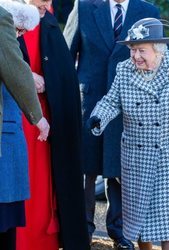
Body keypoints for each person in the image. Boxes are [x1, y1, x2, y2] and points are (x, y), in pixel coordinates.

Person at [86, 18, 169, 250]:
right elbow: (111, 102)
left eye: (141, 50)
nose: (135, 56)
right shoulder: (124, 69)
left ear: (158, 49)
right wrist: (99, 117)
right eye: (132, 50)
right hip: (136, 157)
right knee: (139, 219)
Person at [63, 1, 160, 248]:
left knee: (122, 171)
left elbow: (157, 62)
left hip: (130, 106)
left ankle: (121, 233)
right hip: (90, 104)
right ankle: (80, 231)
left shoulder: (149, 12)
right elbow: (65, 57)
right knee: (86, 171)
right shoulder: (84, 7)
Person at [15, 0, 90, 250]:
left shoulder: (48, 20)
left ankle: (41, 240)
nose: (46, 4)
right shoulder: (9, 15)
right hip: (18, 114)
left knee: (44, 181)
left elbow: (62, 70)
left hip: (45, 115)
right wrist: (27, 76)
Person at [0, 2, 48, 250]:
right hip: (4, 139)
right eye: (18, 31)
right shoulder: (1, 19)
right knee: (5, 219)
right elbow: (15, 71)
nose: (18, 37)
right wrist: (38, 117)